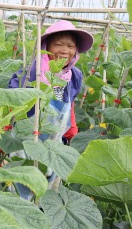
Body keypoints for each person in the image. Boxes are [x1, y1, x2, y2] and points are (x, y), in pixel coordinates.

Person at [7, 20, 93, 198]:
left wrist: (71, 129)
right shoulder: (32, 73)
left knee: (48, 195)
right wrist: (3, 133)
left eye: (70, 46)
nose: (64, 50)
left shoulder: (74, 75)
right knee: (21, 192)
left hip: (54, 142)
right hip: (27, 142)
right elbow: (11, 103)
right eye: (58, 44)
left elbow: (70, 102)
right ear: (46, 47)